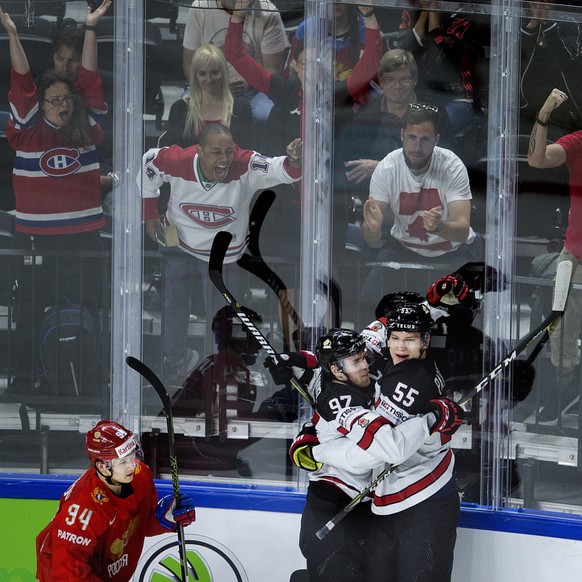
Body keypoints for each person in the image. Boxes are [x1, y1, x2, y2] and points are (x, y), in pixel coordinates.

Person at [285, 328, 457, 581]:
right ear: (336, 370)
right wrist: (432, 418)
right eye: (357, 361)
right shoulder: (339, 400)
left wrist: (302, 360)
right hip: (332, 507)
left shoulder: (355, 374)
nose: (366, 365)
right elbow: (385, 451)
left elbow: (383, 331)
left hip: (365, 510)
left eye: (364, 357)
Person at [1, 3, 110, 393]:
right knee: (30, 310)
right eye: (53, 100)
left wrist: (91, 29)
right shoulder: (25, 128)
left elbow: (90, 78)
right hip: (36, 238)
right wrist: (13, 34)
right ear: (40, 102)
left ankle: (91, 376)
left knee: (91, 308)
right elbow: (21, 77)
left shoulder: (88, 126)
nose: (61, 105)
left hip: (84, 235)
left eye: (66, 100)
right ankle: (28, 376)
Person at [138, 123, 302, 382]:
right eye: (216, 152)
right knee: (173, 303)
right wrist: (149, 214)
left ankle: (221, 367)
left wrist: (294, 160)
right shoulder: (177, 159)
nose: (224, 159)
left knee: (222, 312)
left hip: (222, 252)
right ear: (200, 151)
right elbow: (149, 163)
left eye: (228, 151)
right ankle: (175, 362)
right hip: (178, 242)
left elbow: (280, 170)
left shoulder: (244, 164)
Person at [358, 103, 481, 319]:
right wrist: (373, 229)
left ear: (436, 139)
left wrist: (439, 227)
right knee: (367, 304)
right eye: (412, 137)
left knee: (465, 319)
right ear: (402, 135)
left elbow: (462, 231)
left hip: (453, 252)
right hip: (402, 248)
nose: (417, 147)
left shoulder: (452, 166)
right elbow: (370, 238)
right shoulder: (387, 168)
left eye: (424, 139)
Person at [36, 420, 196, 581]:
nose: (133, 466)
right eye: (123, 462)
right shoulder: (81, 510)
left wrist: (165, 518)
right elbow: (68, 575)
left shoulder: (140, 475)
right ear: (102, 467)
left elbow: (138, 526)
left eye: (132, 456)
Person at [527, 88, 582, 423]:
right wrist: (543, 113)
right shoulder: (578, 141)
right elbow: (536, 159)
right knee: (560, 329)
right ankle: (564, 391)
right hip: (573, 253)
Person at [341, 49, 456, 189]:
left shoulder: (435, 112)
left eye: (404, 80)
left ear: (414, 80)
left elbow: (447, 162)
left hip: (426, 192)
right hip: (380, 192)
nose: (397, 86)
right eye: (390, 80)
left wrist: (380, 167)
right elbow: (357, 165)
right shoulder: (365, 114)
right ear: (381, 81)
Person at [182, 0, 288, 124]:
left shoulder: (269, 13)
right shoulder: (200, 7)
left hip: (254, 90)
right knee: (183, 109)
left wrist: (249, 82)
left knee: (262, 114)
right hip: (208, 85)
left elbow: (273, 69)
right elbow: (189, 65)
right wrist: (217, 88)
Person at [159, 43, 255, 150]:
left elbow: (247, 153)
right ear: (195, 75)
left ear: (223, 73)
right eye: (202, 74)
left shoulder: (241, 109)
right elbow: (171, 152)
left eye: (214, 72)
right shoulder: (179, 109)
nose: (209, 79)